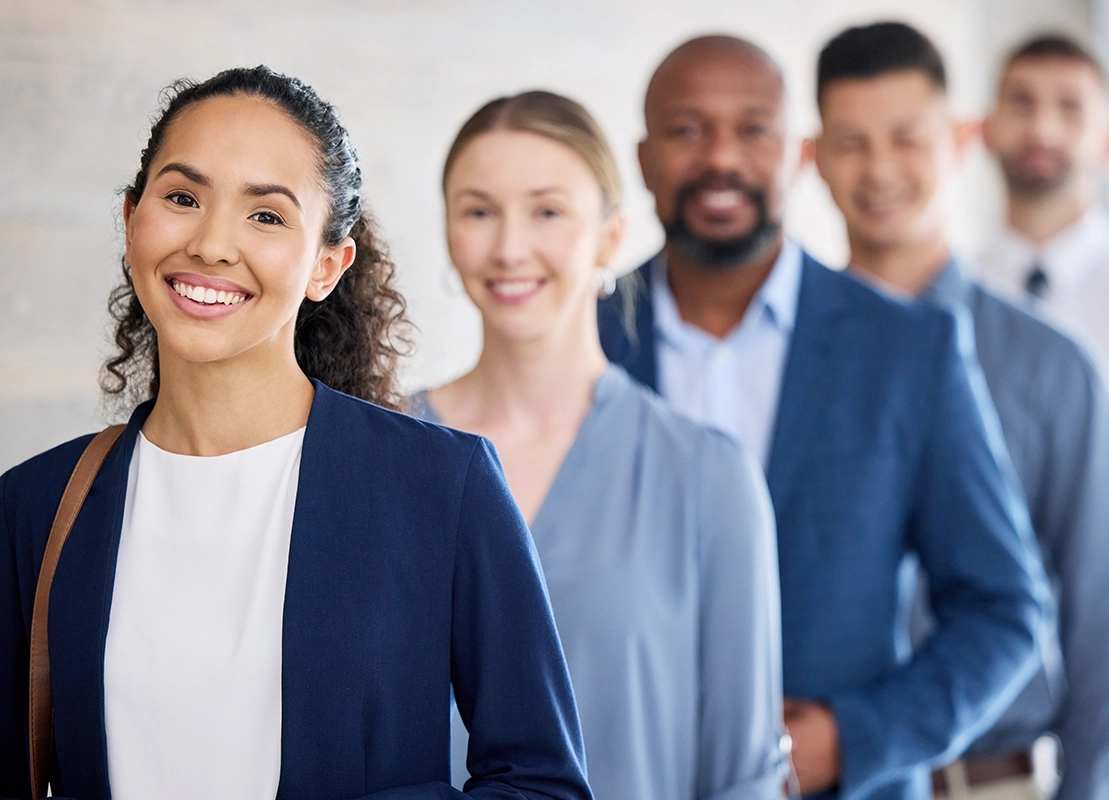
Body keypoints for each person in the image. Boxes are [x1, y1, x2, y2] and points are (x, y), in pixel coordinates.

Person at [0, 66, 592, 800]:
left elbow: (540, 783)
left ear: (326, 266)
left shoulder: (443, 486)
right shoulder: (33, 508)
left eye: (267, 215)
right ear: (130, 223)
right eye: (182, 198)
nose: (212, 244)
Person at [599, 35, 1048, 800]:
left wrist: (852, 738)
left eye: (753, 129)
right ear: (641, 160)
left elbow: (1003, 611)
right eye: (685, 129)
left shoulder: (910, 350)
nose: (721, 159)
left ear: (795, 154)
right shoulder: (587, 339)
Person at [409, 90, 786, 800]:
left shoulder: (705, 476)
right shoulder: (381, 459)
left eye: (547, 211)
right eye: (478, 210)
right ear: (449, 231)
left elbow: (744, 777)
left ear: (611, 235)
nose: (509, 248)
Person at [811, 21, 1109, 800]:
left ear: (957, 139)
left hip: (997, 782)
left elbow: (1092, 618)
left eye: (906, 137)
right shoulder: (785, 357)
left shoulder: (1052, 368)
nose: (878, 169)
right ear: (811, 156)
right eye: (850, 142)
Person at [979, 34, 1109, 370]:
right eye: (1022, 104)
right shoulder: (955, 294)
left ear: (1105, 141)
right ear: (987, 130)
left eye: (1070, 109)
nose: (1042, 131)